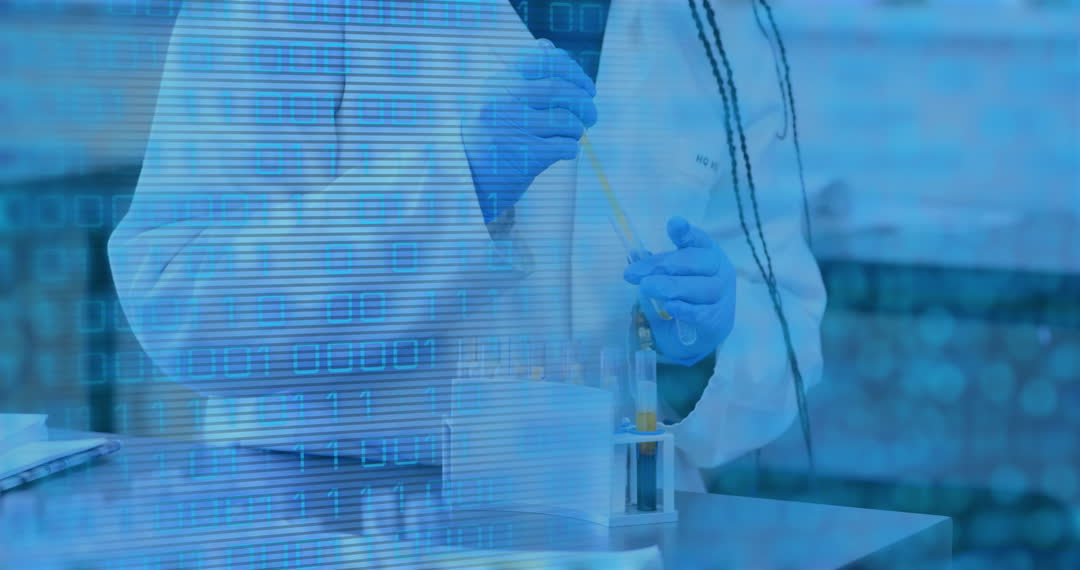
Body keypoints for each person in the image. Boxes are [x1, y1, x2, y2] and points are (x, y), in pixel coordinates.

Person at [109, 0, 825, 493]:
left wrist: (698, 356)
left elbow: (786, 339)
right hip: (333, 524)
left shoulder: (716, 26)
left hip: (626, 532)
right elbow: (181, 297)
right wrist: (461, 185)